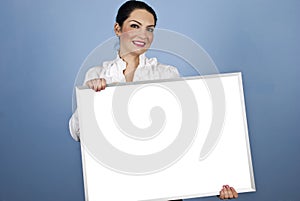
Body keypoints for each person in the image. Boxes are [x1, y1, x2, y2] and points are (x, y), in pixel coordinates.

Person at [69, 0, 238, 200]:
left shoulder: (167, 74)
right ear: (117, 28)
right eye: (134, 26)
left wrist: (216, 181)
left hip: (164, 190)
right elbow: (77, 132)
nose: (143, 35)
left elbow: (190, 132)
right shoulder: (97, 74)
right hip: (118, 188)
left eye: (150, 29)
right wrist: (90, 99)